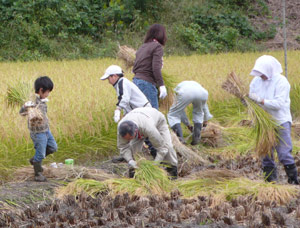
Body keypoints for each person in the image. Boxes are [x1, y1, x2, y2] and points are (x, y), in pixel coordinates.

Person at [249, 55, 299, 185]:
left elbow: (278, 104)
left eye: (263, 73)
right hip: (263, 123)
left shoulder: (281, 82)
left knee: (284, 153)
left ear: (270, 70)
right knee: (265, 153)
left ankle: (293, 181)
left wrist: (261, 100)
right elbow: (251, 100)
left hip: (280, 121)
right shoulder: (255, 81)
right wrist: (249, 101)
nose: (261, 76)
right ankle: (270, 182)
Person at [117, 107, 178, 179]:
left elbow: (162, 148)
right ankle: (135, 174)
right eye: (127, 139)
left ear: (136, 131)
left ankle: (172, 172)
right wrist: (130, 160)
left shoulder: (149, 129)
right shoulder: (121, 129)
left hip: (157, 121)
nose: (128, 140)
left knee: (168, 147)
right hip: (139, 117)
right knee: (134, 151)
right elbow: (123, 147)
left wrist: (155, 164)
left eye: (130, 138)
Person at [19, 76, 57, 182]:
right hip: (38, 133)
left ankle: (35, 160)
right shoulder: (31, 102)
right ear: (41, 90)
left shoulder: (43, 100)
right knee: (40, 153)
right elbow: (21, 113)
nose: (48, 94)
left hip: (46, 130)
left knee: (53, 147)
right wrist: (25, 106)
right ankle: (38, 174)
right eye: (48, 92)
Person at [132, 24, 168, 109]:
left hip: (135, 82)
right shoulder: (157, 47)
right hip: (147, 84)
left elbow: (134, 69)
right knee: (153, 115)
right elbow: (155, 68)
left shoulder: (142, 47)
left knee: (139, 113)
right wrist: (161, 85)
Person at [167, 81, 213, 145]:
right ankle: (196, 137)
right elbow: (204, 108)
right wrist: (205, 121)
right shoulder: (199, 88)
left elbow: (180, 112)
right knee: (198, 113)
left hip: (186, 92)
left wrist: (188, 125)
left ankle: (180, 140)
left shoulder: (177, 90)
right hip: (203, 93)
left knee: (173, 114)